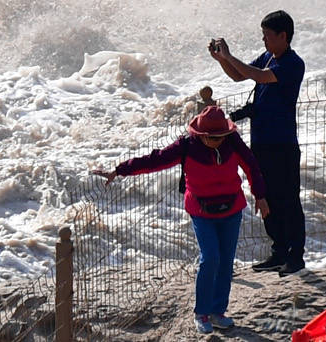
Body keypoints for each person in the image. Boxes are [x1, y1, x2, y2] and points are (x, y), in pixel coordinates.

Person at [101, 97, 271, 334]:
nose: (217, 141)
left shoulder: (232, 141)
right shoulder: (187, 146)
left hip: (231, 209)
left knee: (225, 261)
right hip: (201, 211)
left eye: (220, 136)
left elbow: (251, 165)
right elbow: (154, 160)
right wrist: (119, 170)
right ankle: (201, 313)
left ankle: (218, 311)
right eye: (212, 137)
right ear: (200, 134)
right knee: (210, 257)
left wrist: (260, 195)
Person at [213, 11, 309, 272]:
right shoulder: (268, 57)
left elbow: (259, 76)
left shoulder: (292, 63)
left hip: (283, 144)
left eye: (267, 35)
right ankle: (278, 251)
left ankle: (295, 256)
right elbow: (238, 75)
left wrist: (230, 55)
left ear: (283, 36)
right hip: (261, 143)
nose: (264, 40)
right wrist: (222, 59)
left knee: (289, 200)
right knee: (267, 198)